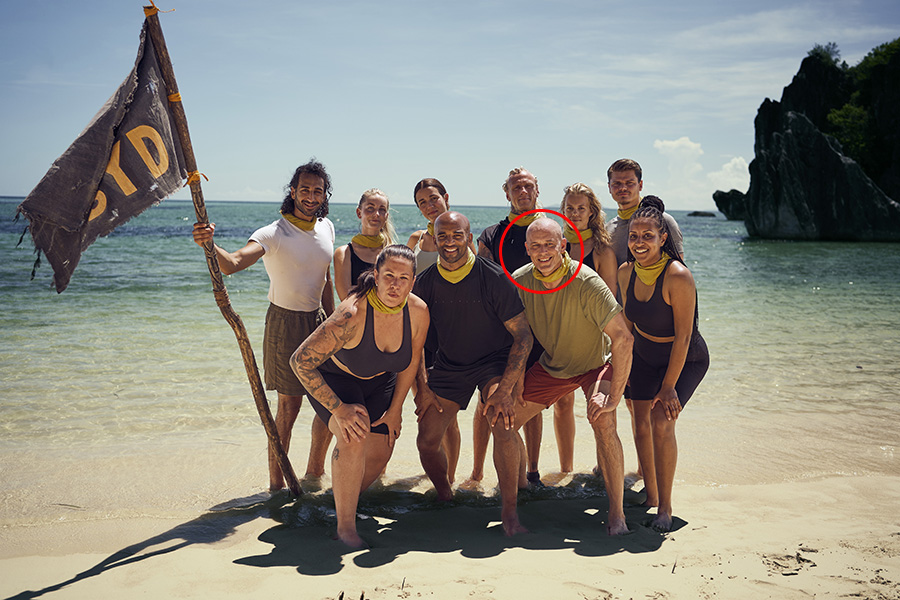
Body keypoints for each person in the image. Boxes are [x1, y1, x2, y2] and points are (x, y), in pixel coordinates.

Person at [192, 159, 335, 491]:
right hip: (285, 324)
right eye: (305, 190)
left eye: (317, 191)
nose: (311, 197)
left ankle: (314, 475)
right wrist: (210, 244)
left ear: (324, 194)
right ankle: (276, 487)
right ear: (292, 192)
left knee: (329, 401)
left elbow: (325, 278)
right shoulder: (274, 233)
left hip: (319, 323)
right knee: (289, 407)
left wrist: (332, 323)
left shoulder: (326, 226)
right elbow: (233, 264)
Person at [290, 245, 429, 548]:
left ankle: (337, 501)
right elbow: (300, 361)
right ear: (375, 276)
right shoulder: (351, 314)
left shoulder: (418, 312)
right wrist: (338, 409)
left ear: (413, 281)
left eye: (403, 278)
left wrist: (395, 410)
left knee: (382, 448)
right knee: (353, 435)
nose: (395, 285)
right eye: (388, 276)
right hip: (337, 380)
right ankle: (345, 528)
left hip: (380, 382)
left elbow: (411, 362)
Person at [511, 219, 634, 536]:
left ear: (563, 245)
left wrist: (613, 397)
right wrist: (512, 381)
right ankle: (522, 489)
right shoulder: (520, 281)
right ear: (527, 249)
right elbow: (507, 335)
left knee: (603, 420)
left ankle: (617, 514)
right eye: (535, 246)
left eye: (549, 244)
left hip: (596, 365)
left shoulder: (586, 281)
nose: (543, 252)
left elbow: (623, 338)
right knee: (504, 419)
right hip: (553, 366)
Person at [412, 211, 533, 532]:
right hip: (449, 365)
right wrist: (422, 388)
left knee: (503, 424)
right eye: (442, 236)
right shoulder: (424, 283)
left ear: (469, 237)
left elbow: (523, 336)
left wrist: (506, 389)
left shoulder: (493, 277)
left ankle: (509, 511)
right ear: (434, 239)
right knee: (426, 441)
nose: (449, 242)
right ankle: (445, 495)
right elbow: (415, 343)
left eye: (457, 235)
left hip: (493, 363)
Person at [617, 197, 709, 532]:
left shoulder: (678, 276)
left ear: (662, 238)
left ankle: (666, 508)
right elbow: (627, 325)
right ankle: (651, 496)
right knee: (640, 421)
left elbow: (684, 337)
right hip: (644, 355)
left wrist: (669, 386)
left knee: (661, 421)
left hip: (685, 359)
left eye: (648, 236)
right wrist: (619, 364)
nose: (639, 243)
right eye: (633, 236)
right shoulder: (625, 272)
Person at [475, 167, 565, 486]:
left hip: (542, 328)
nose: (523, 192)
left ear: (537, 190)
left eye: (528, 186)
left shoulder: (550, 231)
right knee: (489, 402)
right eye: (516, 187)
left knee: (529, 400)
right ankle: (480, 472)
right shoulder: (491, 235)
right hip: (502, 331)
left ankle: (533, 471)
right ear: (507, 193)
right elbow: (483, 284)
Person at [604, 158, 684, 483]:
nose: (623, 188)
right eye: (617, 183)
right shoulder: (609, 229)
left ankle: (652, 474)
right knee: (630, 404)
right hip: (624, 328)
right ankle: (643, 470)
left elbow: (679, 273)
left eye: (629, 183)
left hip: (658, 331)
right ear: (610, 188)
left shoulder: (664, 222)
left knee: (656, 410)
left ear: (640, 185)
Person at [406, 178, 470, 483]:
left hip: (450, 335)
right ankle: (435, 470)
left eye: (433, 198)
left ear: (446, 197)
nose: (430, 206)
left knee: (448, 416)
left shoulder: (461, 238)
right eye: (423, 202)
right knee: (424, 406)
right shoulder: (415, 240)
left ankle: (450, 478)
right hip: (418, 335)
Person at [553, 182, 618, 474]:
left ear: (592, 212)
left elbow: (610, 299)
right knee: (562, 405)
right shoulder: (555, 245)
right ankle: (565, 470)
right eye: (570, 208)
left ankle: (604, 468)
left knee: (599, 407)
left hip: (594, 340)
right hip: (558, 335)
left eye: (581, 208)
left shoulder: (603, 251)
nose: (575, 213)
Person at [334, 189, 396, 300]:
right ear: (359, 213)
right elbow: (346, 298)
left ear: (386, 216)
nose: (376, 214)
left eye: (382, 209)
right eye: (370, 208)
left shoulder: (393, 253)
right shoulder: (344, 253)